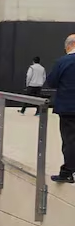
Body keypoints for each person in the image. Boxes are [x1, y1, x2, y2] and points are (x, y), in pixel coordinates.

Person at [46, 34, 75, 183]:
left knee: (70, 139)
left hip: (69, 108)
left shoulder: (62, 62)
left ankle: (68, 172)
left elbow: (51, 82)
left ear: (69, 45)